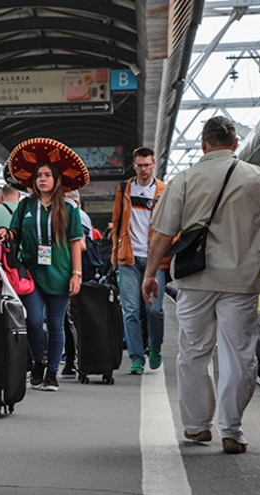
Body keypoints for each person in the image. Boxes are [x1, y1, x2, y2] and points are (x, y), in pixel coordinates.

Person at [142, 116, 260, 454]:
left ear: (203, 143)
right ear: (235, 143)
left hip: (195, 280)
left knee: (194, 352)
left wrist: (150, 273)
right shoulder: (259, 177)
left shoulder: (183, 180)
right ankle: (232, 430)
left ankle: (196, 427)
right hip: (242, 279)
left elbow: (163, 234)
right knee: (239, 355)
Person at [0, 138, 89, 392]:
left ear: (57, 179)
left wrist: (77, 274)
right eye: (38, 175)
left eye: (47, 175)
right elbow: (15, 231)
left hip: (60, 273)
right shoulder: (25, 204)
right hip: (31, 273)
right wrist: (6, 232)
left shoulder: (69, 208)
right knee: (34, 321)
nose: (42, 179)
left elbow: (75, 242)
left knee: (56, 323)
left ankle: (51, 373)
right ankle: (38, 362)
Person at [112, 147, 169, 375]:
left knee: (154, 310)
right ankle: (136, 357)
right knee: (130, 310)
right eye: (139, 165)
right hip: (129, 258)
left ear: (154, 165)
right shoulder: (124, 189)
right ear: (134, 166)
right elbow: (116, 222)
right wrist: (115, 255)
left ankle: (154, 346)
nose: (143, 169)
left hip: (156, 260)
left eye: (147, 165)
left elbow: (173, 222)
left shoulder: (164, 190)